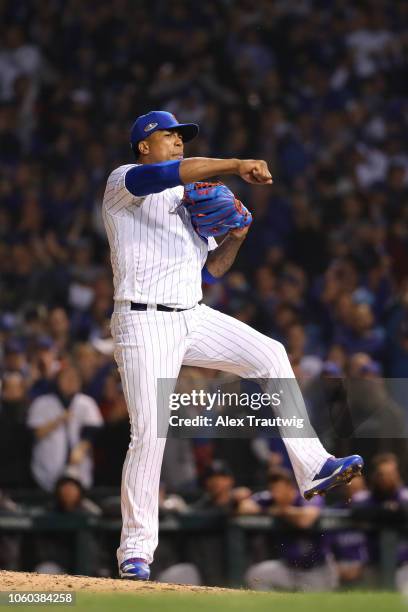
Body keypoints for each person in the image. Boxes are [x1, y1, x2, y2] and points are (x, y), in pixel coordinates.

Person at [102, 110, 363, 580]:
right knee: (151, 433)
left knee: (271, 354)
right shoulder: (125, 183)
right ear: (143, 145)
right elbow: (168, 173)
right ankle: (135, 552)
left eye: (183, 137)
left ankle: (314, 465)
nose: (179, 143)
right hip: (142, 322)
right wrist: (235, 162)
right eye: (169, 136)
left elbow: (212, 271)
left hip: (191, 315)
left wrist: (237, 236)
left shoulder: (189, 199)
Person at [241, 468, 338, 592]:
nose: (276, 494)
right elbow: (245, 507)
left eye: (279, 490)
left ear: (290, 487)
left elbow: (305, 520)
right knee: (256, 575)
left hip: (317, 570)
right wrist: (265, 509)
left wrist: (282, 511)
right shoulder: (271, 500)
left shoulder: (308, 496)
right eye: (273, 490)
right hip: (289, 568)